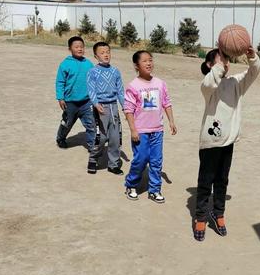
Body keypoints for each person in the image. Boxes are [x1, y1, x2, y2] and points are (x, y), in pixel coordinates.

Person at [194, 47, 260, 241]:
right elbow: (210, 80)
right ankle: (200, 217)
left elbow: (253, 72)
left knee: (222, 181)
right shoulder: (208, 86)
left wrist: (251, 56)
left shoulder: (235, 83)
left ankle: (218, 213)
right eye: (221, 60)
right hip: (210, 143)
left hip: (228, 142)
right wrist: (218, 65)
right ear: (210, 65)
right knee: (206, 182)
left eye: (227, 60)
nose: (225, 63)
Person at [124, 50, 177, 203]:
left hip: (157, 130)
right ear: (136, 65)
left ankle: (154, 190)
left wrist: (171, 121)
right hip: (140, 131)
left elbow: (166, 102)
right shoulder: (133, 86)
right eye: (145, 61)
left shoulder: (160, 83)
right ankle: (131, 184)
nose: (149, 63)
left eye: (150, 60)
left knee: (156, 161)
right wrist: (133, 130)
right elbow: (128, 110)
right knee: (140, 159)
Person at [86, 41, 125, 175]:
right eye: (102, 53)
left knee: (115, 138)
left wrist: (125, 107)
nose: (106, 55)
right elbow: (91, 90)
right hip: (100, 108)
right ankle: (93, 159)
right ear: (96, 56)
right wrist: (96, 104)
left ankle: (113, 164)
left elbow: (120, 91)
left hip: (113, 107)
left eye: (108, 52)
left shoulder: (115, 71)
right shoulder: (92, 72)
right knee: (100, 137)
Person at [55, 36, 95, 150]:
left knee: (91, 124)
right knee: (67, 123)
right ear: (70, 49)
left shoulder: (88, 63)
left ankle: (93, 145)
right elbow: (60, 82)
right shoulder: (65, 64)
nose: (79, 49)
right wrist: (60, 97)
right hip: (70, 102)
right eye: (76, 47)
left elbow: (94, 80)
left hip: (86, 102)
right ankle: (60, 138)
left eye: (81, 47)